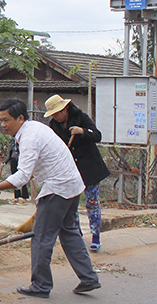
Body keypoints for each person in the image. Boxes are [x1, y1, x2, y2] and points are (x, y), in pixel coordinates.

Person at [0, 98, 101, 298]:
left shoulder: (30, 137)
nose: (3, 125)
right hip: (71, 185)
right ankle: (89, 278)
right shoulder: (34, 128)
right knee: (69, 232)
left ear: (20, 118)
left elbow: (23, 176)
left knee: (41, 238)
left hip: (58, 189)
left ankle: (41, 285)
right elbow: (36, 166)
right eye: (1, 120)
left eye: (7, 120)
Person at [44, 95, 110, 251]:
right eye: (53, 115)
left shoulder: (81, 117)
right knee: (72, 205)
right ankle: (77, 235)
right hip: (71, 170)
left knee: (92, 202)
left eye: (57, 113)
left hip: (89, 168)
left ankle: (95, 236)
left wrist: (83, 131)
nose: (56, 117)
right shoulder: (54, 125)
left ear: (65, 109)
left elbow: (97, 135)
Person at [4, 137, 29, 203]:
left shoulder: (24, 140)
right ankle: (17, 197)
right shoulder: (12, 141)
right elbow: (10, 153)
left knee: (22, 177)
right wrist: (5, 161)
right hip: (13, 160)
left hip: (21, 161)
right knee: (14, 178)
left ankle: (24, 197)